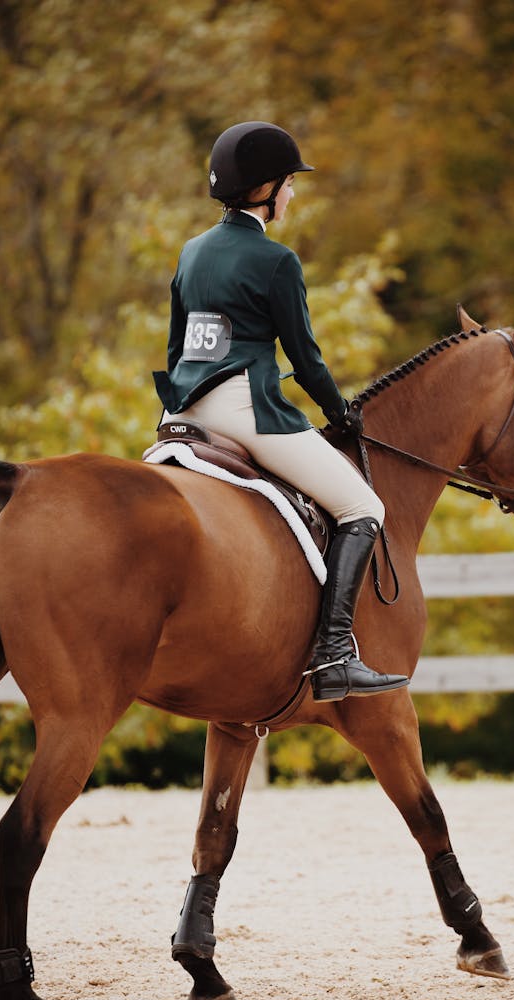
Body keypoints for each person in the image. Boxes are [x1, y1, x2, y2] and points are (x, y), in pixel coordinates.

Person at [153, 121, 409, 703]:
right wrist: (340, 413)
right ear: (267, 188)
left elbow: (175, 350)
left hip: (186, 413)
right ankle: (336, 655)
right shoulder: (276, 260)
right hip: (247, 409)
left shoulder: (191, 253)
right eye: (289, 183)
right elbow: (306, 358)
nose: (291, 194)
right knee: (363, 505)